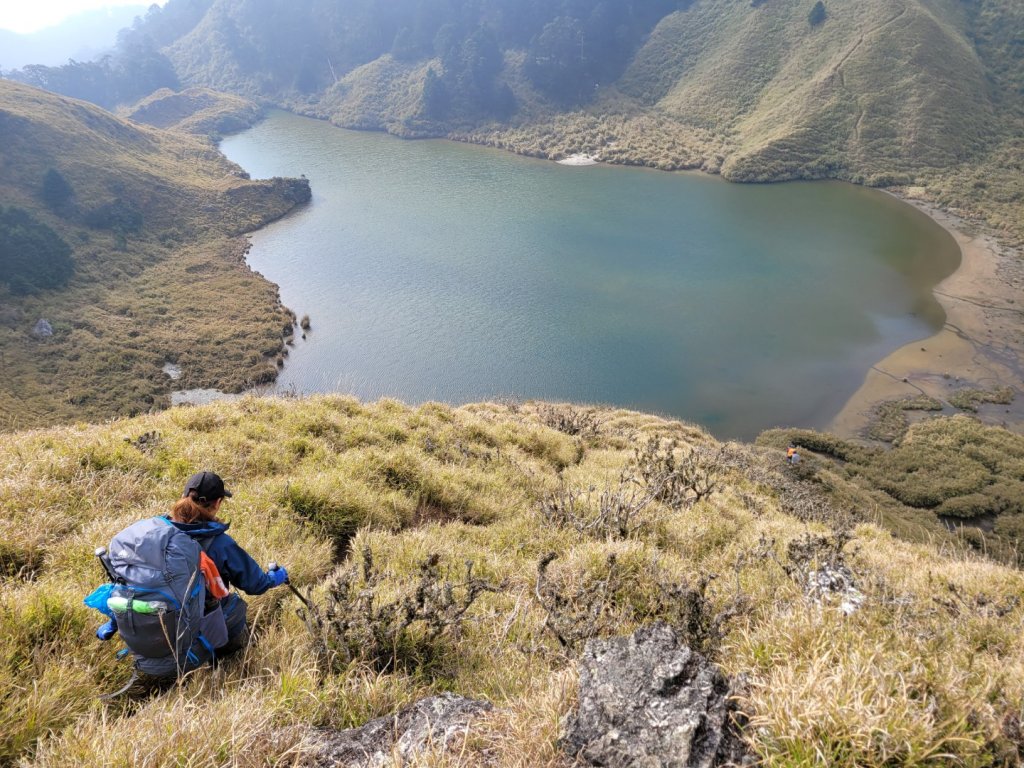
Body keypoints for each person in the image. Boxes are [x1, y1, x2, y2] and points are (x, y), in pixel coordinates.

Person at [166, 471, 288, 656]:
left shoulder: (160, 532)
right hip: (198, 619)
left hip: (161, 618)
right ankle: (236, 658)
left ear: (183, 496)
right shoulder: (220, 544)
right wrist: (275, 577)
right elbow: (255, 584)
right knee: (235, 607)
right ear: (217, 503)